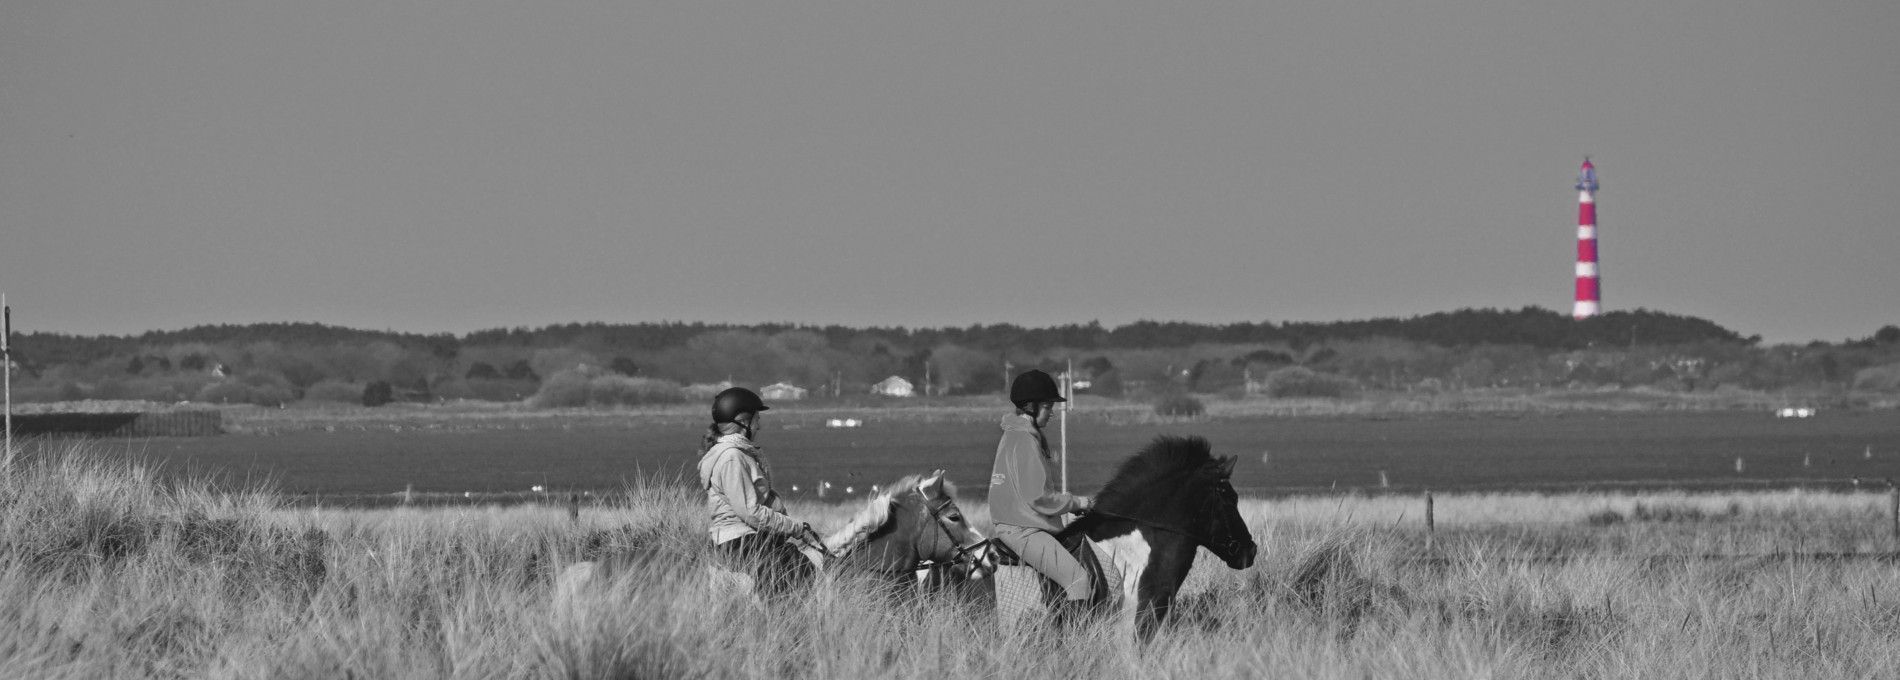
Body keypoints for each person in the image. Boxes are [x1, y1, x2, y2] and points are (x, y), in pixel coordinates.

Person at [697, 386, 821, 598]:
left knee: (798, 561)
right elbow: (751, 512)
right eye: (757, 420)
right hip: (738, 540)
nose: (759, 426)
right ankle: (777, 620)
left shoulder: (739, 455)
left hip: (747, 536)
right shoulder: (732, 458)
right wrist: (796, 528)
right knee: (790, 571)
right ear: (743, 422)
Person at [988, 369, 1095, 608]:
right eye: (1048, 406)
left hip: (1020, 524)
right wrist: (1078, 503)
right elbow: (1038, 497)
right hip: (1024, 530)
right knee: (1078, 580)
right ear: (1031, 408)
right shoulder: (1025, 440)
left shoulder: (1015, 434)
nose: (1052, 413)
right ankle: (1075, 641)